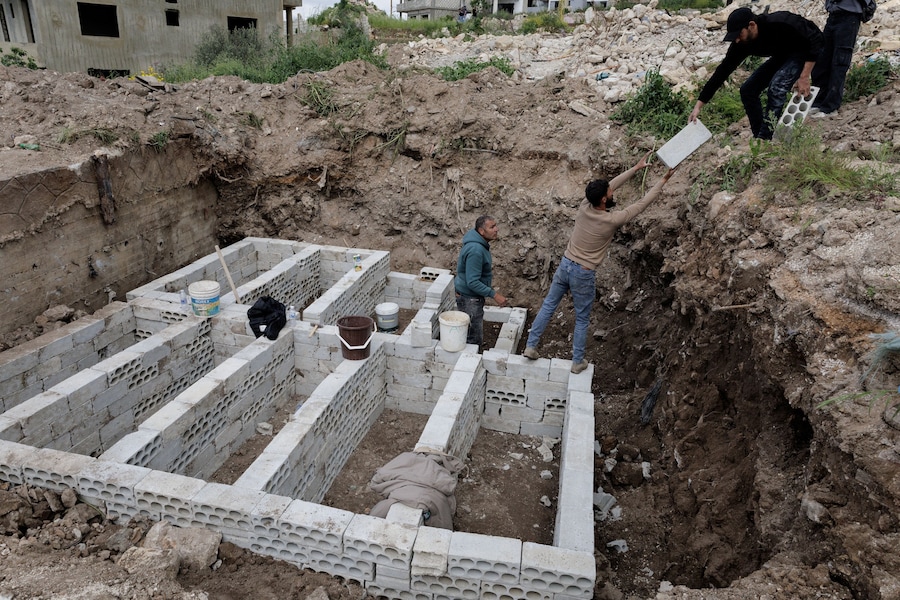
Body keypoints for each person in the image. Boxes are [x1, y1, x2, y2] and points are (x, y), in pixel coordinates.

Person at [523, 154, 675, 374]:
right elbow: (641, 205)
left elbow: (610, 185)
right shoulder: (611, 220)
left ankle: (531, 346)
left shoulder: (585, 205)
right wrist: (663, 180)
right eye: (609, 193)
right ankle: (577, 361)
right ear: (604, 199)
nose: (612, 192)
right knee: (582, 318)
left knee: (548, 305)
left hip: (565, 264)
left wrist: (635, 168)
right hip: (582, 273)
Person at [689, 7, 823, 140]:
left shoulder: (779, 22)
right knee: (747, 90)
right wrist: (698, 106)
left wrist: (804, 76)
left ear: (751, 25)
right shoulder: (741, 44)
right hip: (782, 55)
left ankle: (765, 138)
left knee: (776, 87)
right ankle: (760, 136)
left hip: (802, 51)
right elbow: (722, 71)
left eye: (739, 34)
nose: (737, 40)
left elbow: (816, 38)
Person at [455, 215, 508, 348]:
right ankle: (470, 356)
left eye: (495, 225)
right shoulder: (476, 250)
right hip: (470, 298)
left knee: (471, 332)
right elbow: (472, 282)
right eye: (492, 227)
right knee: (473, 338)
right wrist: (494, 295)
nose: (496, 229)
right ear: (481, 231)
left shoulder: (478, 245)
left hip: (469, 296)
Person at [810, 0, 864, 117]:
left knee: (839, 62)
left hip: (849, 17)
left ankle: (830, 107)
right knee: (822, 60)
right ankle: (818, 102)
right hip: (834, 16)